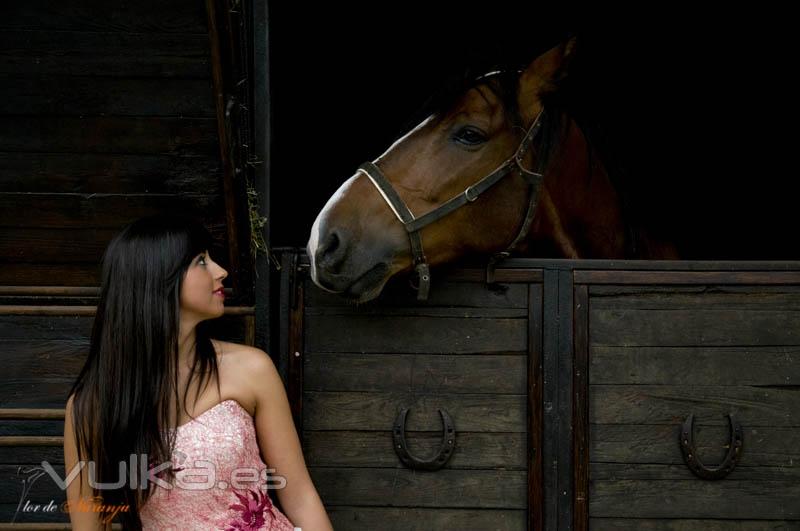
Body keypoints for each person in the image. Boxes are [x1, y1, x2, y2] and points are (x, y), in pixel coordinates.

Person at [63, 215, 333, 530]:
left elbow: (300, 495)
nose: (221, 271)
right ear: (157, 278)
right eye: (201, 261)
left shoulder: (251, 368)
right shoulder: (91, 407)